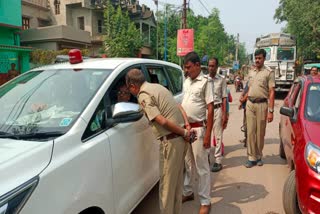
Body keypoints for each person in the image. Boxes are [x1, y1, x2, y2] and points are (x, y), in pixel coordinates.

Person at [126, 68, 193, 214]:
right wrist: (186, 127)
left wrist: (184, 132)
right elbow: (179, 107)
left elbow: (160, 120)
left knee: (166, 189)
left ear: (132, 86)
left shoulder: (143, 95)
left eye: (128, 89)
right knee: (175, 186)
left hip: (172, 141)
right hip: (180, 140)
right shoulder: (157, 87)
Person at [182, 52, 214, 214]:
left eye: (188, 67)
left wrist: (208, 134)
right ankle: (188, 192)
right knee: (187, 164)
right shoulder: (186, 81)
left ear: (197, 65)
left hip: (198, 129)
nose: (186, 71)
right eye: (185, 68)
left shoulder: (205, 82)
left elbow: (210, 109)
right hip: (185, 129)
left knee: (202, 167)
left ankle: (205, 201)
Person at [245, 49, 275, 168]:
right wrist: (243, 99)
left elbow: (272, 92)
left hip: (262, 105)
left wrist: (271, 111)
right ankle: (251, 157)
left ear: (264, 59)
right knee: (250, 131)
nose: (257, 60)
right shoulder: (251, 71)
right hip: (250, 104)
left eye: (259, 58)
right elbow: (249, 87)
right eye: (256, 58)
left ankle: (258, 156)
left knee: (260, 133)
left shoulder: (269, 72)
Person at [207, 57, 227, 172]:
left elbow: (224, 97)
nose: (211, 68)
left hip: (217, 109)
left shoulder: (221, 80)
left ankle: (218, 160)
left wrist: (224, 114)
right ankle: (206, 157)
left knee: (218, 135)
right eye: (209, 66)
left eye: (213, 66)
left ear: (216, 67)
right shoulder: (204, 79)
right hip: (206, 110)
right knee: (206, 134)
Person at [239, 81, 249, 147]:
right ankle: (246, 139)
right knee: (245, 123)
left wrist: (243, 99)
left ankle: (248, 140)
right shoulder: (249, 80)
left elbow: (249, 92)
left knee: (249, 124)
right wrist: (241, 97)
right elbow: (244, 90)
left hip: (249, 106)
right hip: (245, 105)